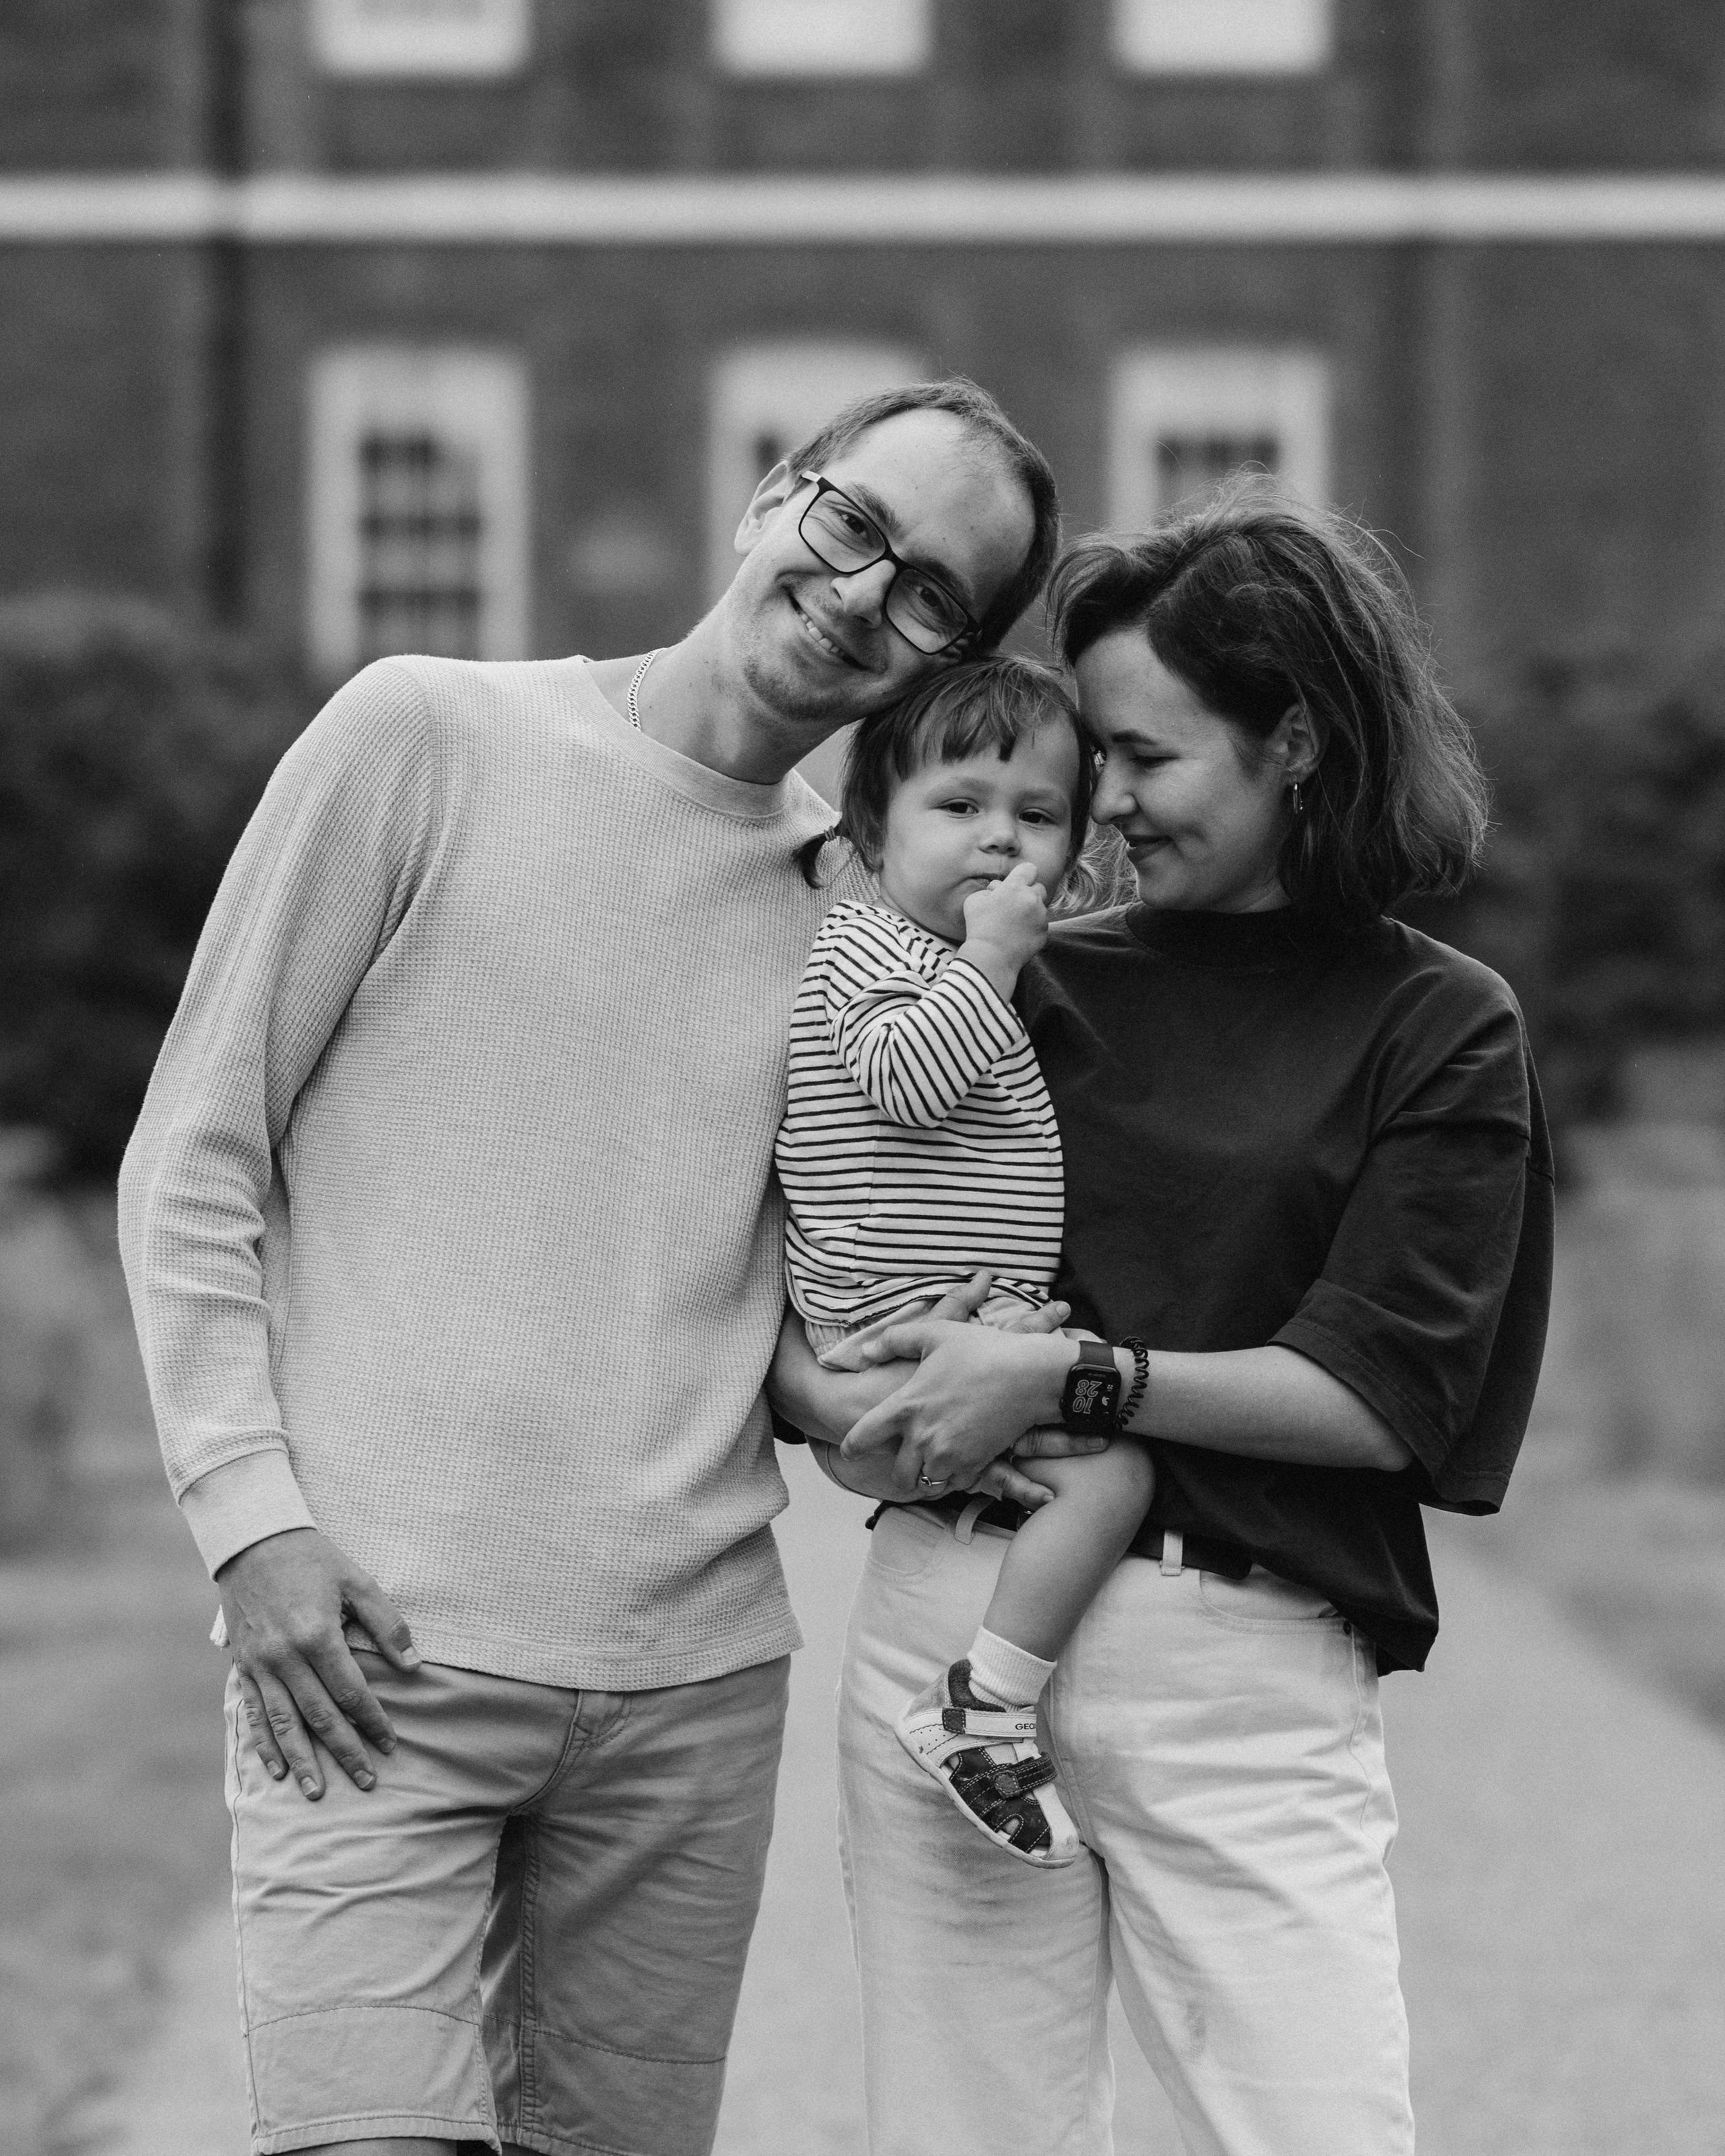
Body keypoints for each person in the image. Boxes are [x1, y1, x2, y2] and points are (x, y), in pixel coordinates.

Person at [117, 377, 1065, 2156]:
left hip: (688, 1703)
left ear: (941, 660)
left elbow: (766, 1293)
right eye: (855, 524)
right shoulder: (422, 740)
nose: (865, 591)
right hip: (371, 1663)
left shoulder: (848, 926)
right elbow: (195, 1157)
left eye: (931, 591)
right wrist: (251, 1523)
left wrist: (888, 1404)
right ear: (772, 500)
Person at [772, 483, 1555, 2156]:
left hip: (1242, 1673)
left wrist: (1069, 1375)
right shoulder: (1018, 976)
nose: (1097, 810)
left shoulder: (1437, 1026)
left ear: (1296, 742)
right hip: (949, 1621)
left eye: (1143, 758)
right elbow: (795, 1219)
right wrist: (840, 1401)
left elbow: (1380, 1391)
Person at [777, 654, 1154, 1869]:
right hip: (888, 1322)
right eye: (961, 807)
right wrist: (990, 961)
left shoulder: (947, 961)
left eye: (1037, 817)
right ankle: (984, 1708)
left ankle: (986, 1689)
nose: (1002, 841)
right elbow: (907, 1079)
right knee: (1114, 1480)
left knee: (1057, 1481)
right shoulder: (860, 948)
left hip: (945, 1320)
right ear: (872, 828)